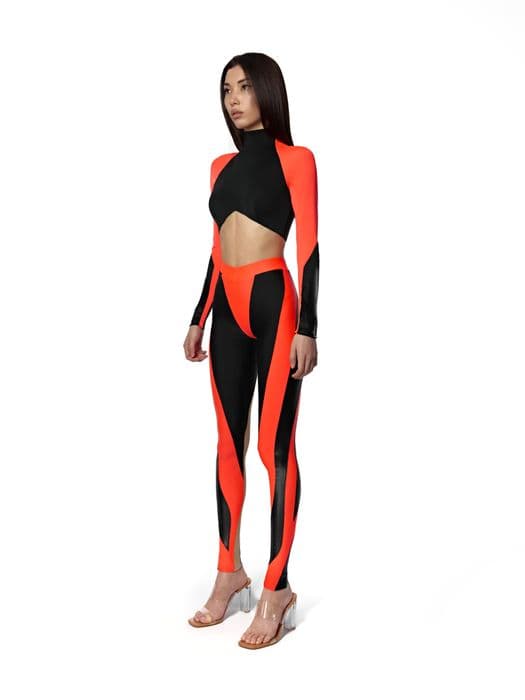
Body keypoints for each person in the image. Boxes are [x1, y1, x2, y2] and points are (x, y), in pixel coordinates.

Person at [183, 52, 319, 649]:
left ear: (267, 90)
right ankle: (228, 571)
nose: (233, 99)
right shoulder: (220, 167)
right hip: (227, 309)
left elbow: (309, 247)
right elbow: (217, 251)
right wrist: (198, 317)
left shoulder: (297, 159)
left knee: (273, 446)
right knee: (227, 445)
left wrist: (308, 327)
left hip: (273, 301)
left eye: (243, 87)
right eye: (226, 90)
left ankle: (276, 585)